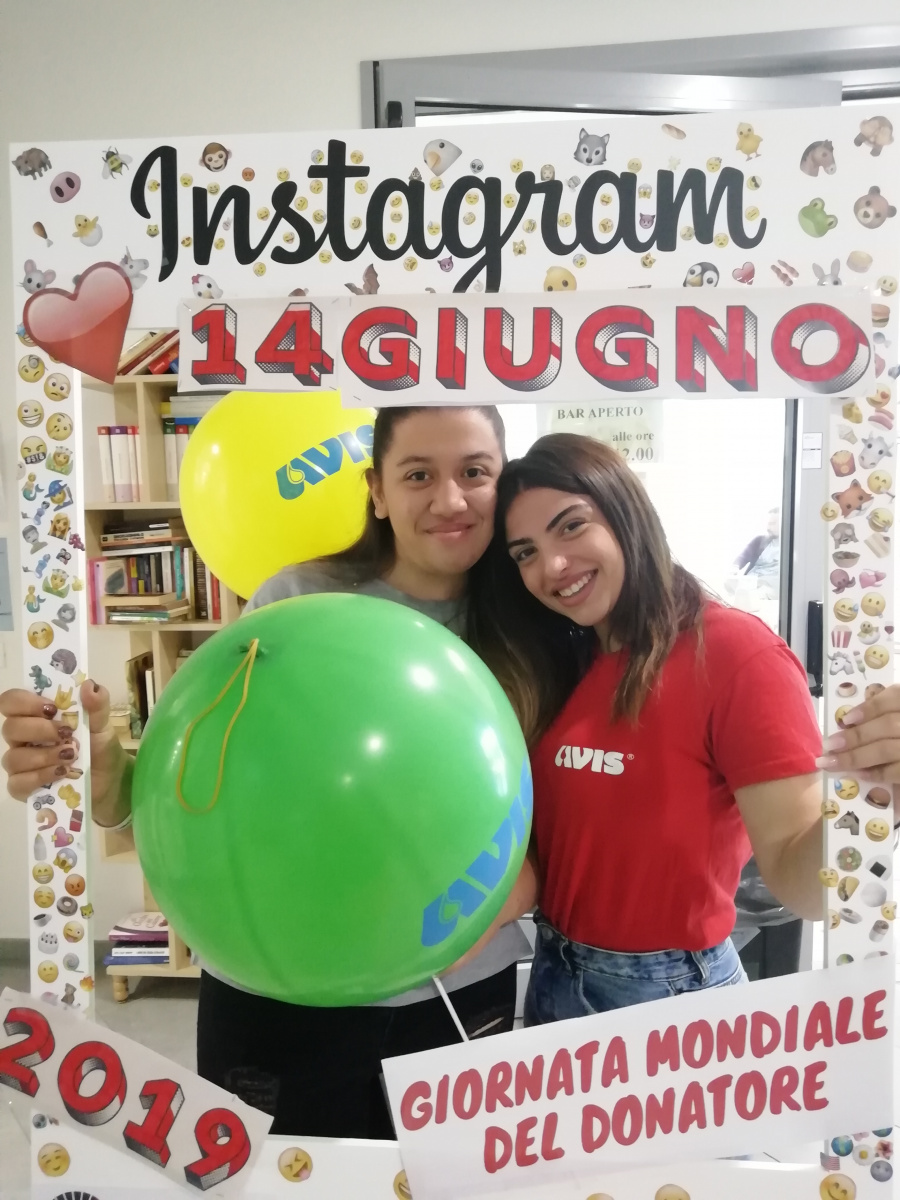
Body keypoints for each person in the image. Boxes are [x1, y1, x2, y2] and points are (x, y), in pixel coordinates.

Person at [0, 404, 537, 1139]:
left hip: (456, 992)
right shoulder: (296, 601)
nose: (450, 499)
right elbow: (195, 786)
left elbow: (571, 823)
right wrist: (95, 770)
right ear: (377, 491)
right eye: (418, 475)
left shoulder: (531, 624)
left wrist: (474, 916)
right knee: (277, 1181)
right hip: (275, 989)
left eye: (475, 472)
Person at [466, 434, 826, 1024]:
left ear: (625, 513)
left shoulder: (737, 654)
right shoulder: (563, 660)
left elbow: (804, 886)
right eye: (525, 552)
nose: (552, 566)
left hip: (673, 997)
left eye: (571, 526)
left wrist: (872, 796)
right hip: (555, 973)